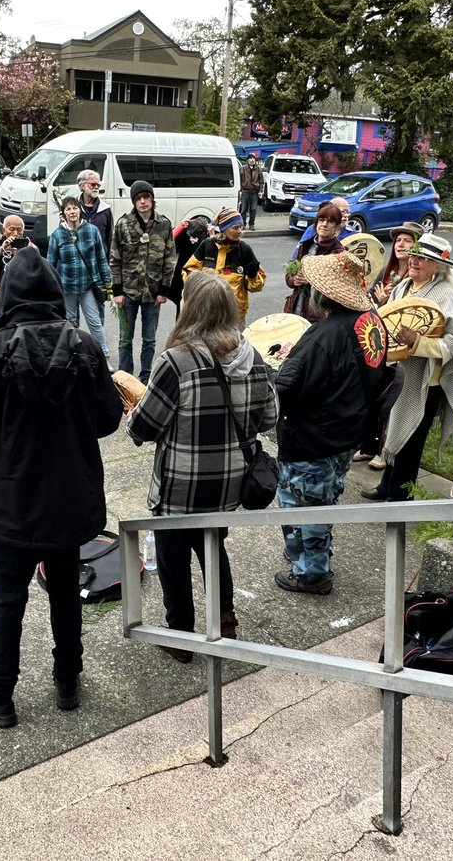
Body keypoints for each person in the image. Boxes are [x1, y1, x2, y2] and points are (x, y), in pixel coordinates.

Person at [0, 245, 122, 728]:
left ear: (9, 297)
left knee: (8, 597)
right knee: (64, 591)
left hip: (13, 502)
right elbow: (107, 420)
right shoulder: (84, 346)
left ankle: (1, 695)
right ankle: (67, 681)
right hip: (68, 499)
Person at [128, 273, 278, 661]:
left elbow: (143, 427)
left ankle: (181, 638)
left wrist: (134, 408)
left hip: (182, 486)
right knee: (213, 545)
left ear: (189, 308)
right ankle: (224, 619)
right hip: (230, 484)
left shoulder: (176, 361)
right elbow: (269, 418)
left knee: (173, 558)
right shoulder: (252, 356)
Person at [274, 245, 386, 594]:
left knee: (301, 504)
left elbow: (287, 389)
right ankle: (307, 554)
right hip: (347, 429)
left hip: (313, 438)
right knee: (324, 497)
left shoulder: (323, 335)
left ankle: (312, 572)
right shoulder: (371, 321)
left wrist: (279, 363)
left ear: (323, 294)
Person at [362, 233, 453, 502]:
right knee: (393, 429)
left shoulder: (445, 295)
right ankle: (387, 486)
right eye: (414, 256)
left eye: (423, 258)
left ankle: (400, 494)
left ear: (438, 266)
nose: (415, 262)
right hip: (399, 373)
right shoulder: (403, 287)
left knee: (411, 438)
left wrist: (417, 342)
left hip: (425, 382)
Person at [110, 180, 176, 384]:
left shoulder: (164, 224)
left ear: (152, 199)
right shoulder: (123, 224)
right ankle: (125, 377)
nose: (143, 202)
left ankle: (146, 377)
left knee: (149, 340)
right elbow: (115, 258)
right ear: (134, 202)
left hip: (153, 292)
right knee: (125, 339)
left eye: (146, 197)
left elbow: (169, 259)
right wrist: (117, 291)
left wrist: (164, 290)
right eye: (138, 199)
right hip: (128, 291)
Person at [47, 194, 111, 365]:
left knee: (95, 323)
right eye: (68, 209)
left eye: (75, 208)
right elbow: (50, 265)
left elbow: (101, 259)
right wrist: (51, 290)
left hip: (87, 286)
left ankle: (103, 357)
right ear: (63, 214)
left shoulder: (92, 230)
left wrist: (109, 287)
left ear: (80, 211)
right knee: (70, 324)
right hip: (66, 288)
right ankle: (72, 358)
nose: (72, 211)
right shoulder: (57, 235)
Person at [183, 207, 266, 327]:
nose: (239, 231)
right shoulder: (207, 246)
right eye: (235, 227)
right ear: (224, 229)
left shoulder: (245, 250)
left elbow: (256, 287)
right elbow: (188, 270)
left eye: (241, 227)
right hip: (207, 314)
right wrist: (199, 290)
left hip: (234, 317)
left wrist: (253, 276)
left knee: (235, 346)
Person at [284, 201, 345, 323]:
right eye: (321, 220)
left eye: (330, 221)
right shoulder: (306, 245)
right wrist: (294, 280)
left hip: (318, 315)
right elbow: (289, 275)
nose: (324, 224)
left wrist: (311, 281)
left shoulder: (338, 253)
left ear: (337, 228)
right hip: (295, 308)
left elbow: (338, 289)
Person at [0, 214, 35, 332]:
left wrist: (33, 253)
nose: (15, 233)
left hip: (21, 300)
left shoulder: (28, 248)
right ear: (4, 231)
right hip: (0, 299)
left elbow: (37, 271)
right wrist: (1, 250)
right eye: (12, 229)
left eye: (19, 230)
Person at [167, 215, 212, 314]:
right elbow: (168, 241)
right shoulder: (186, 235)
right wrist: (180, 227)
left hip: (198, 279)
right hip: (184, 278)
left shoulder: (209, 240)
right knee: (182, 312)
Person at [373, 221, 424, 306]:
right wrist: (380, 300)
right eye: (398, 240)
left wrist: (389, 301)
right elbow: (371, 297)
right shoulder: (386, 271)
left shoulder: (418, 275)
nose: (400, 244)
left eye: (408, 241)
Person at [77, 168, 113, 254]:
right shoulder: (73, 208)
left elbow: (110, 238)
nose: (96, 187)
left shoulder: (105, 209)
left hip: (99, 258)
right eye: (93, 184)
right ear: (82, 186)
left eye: (98, 185)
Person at [239, 154, 264, 230]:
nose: (252, 160)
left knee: (253, 209)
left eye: (253, 158)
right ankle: (243, 224)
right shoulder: (243, 168)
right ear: (248, 160)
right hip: (245, 191)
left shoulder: (258, 169)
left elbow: (261, 180)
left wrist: (260, 191)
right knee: (243, 209)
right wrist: (241, 189)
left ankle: (251, 224)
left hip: (254, 192)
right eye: (250, 158)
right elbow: (239, 179)